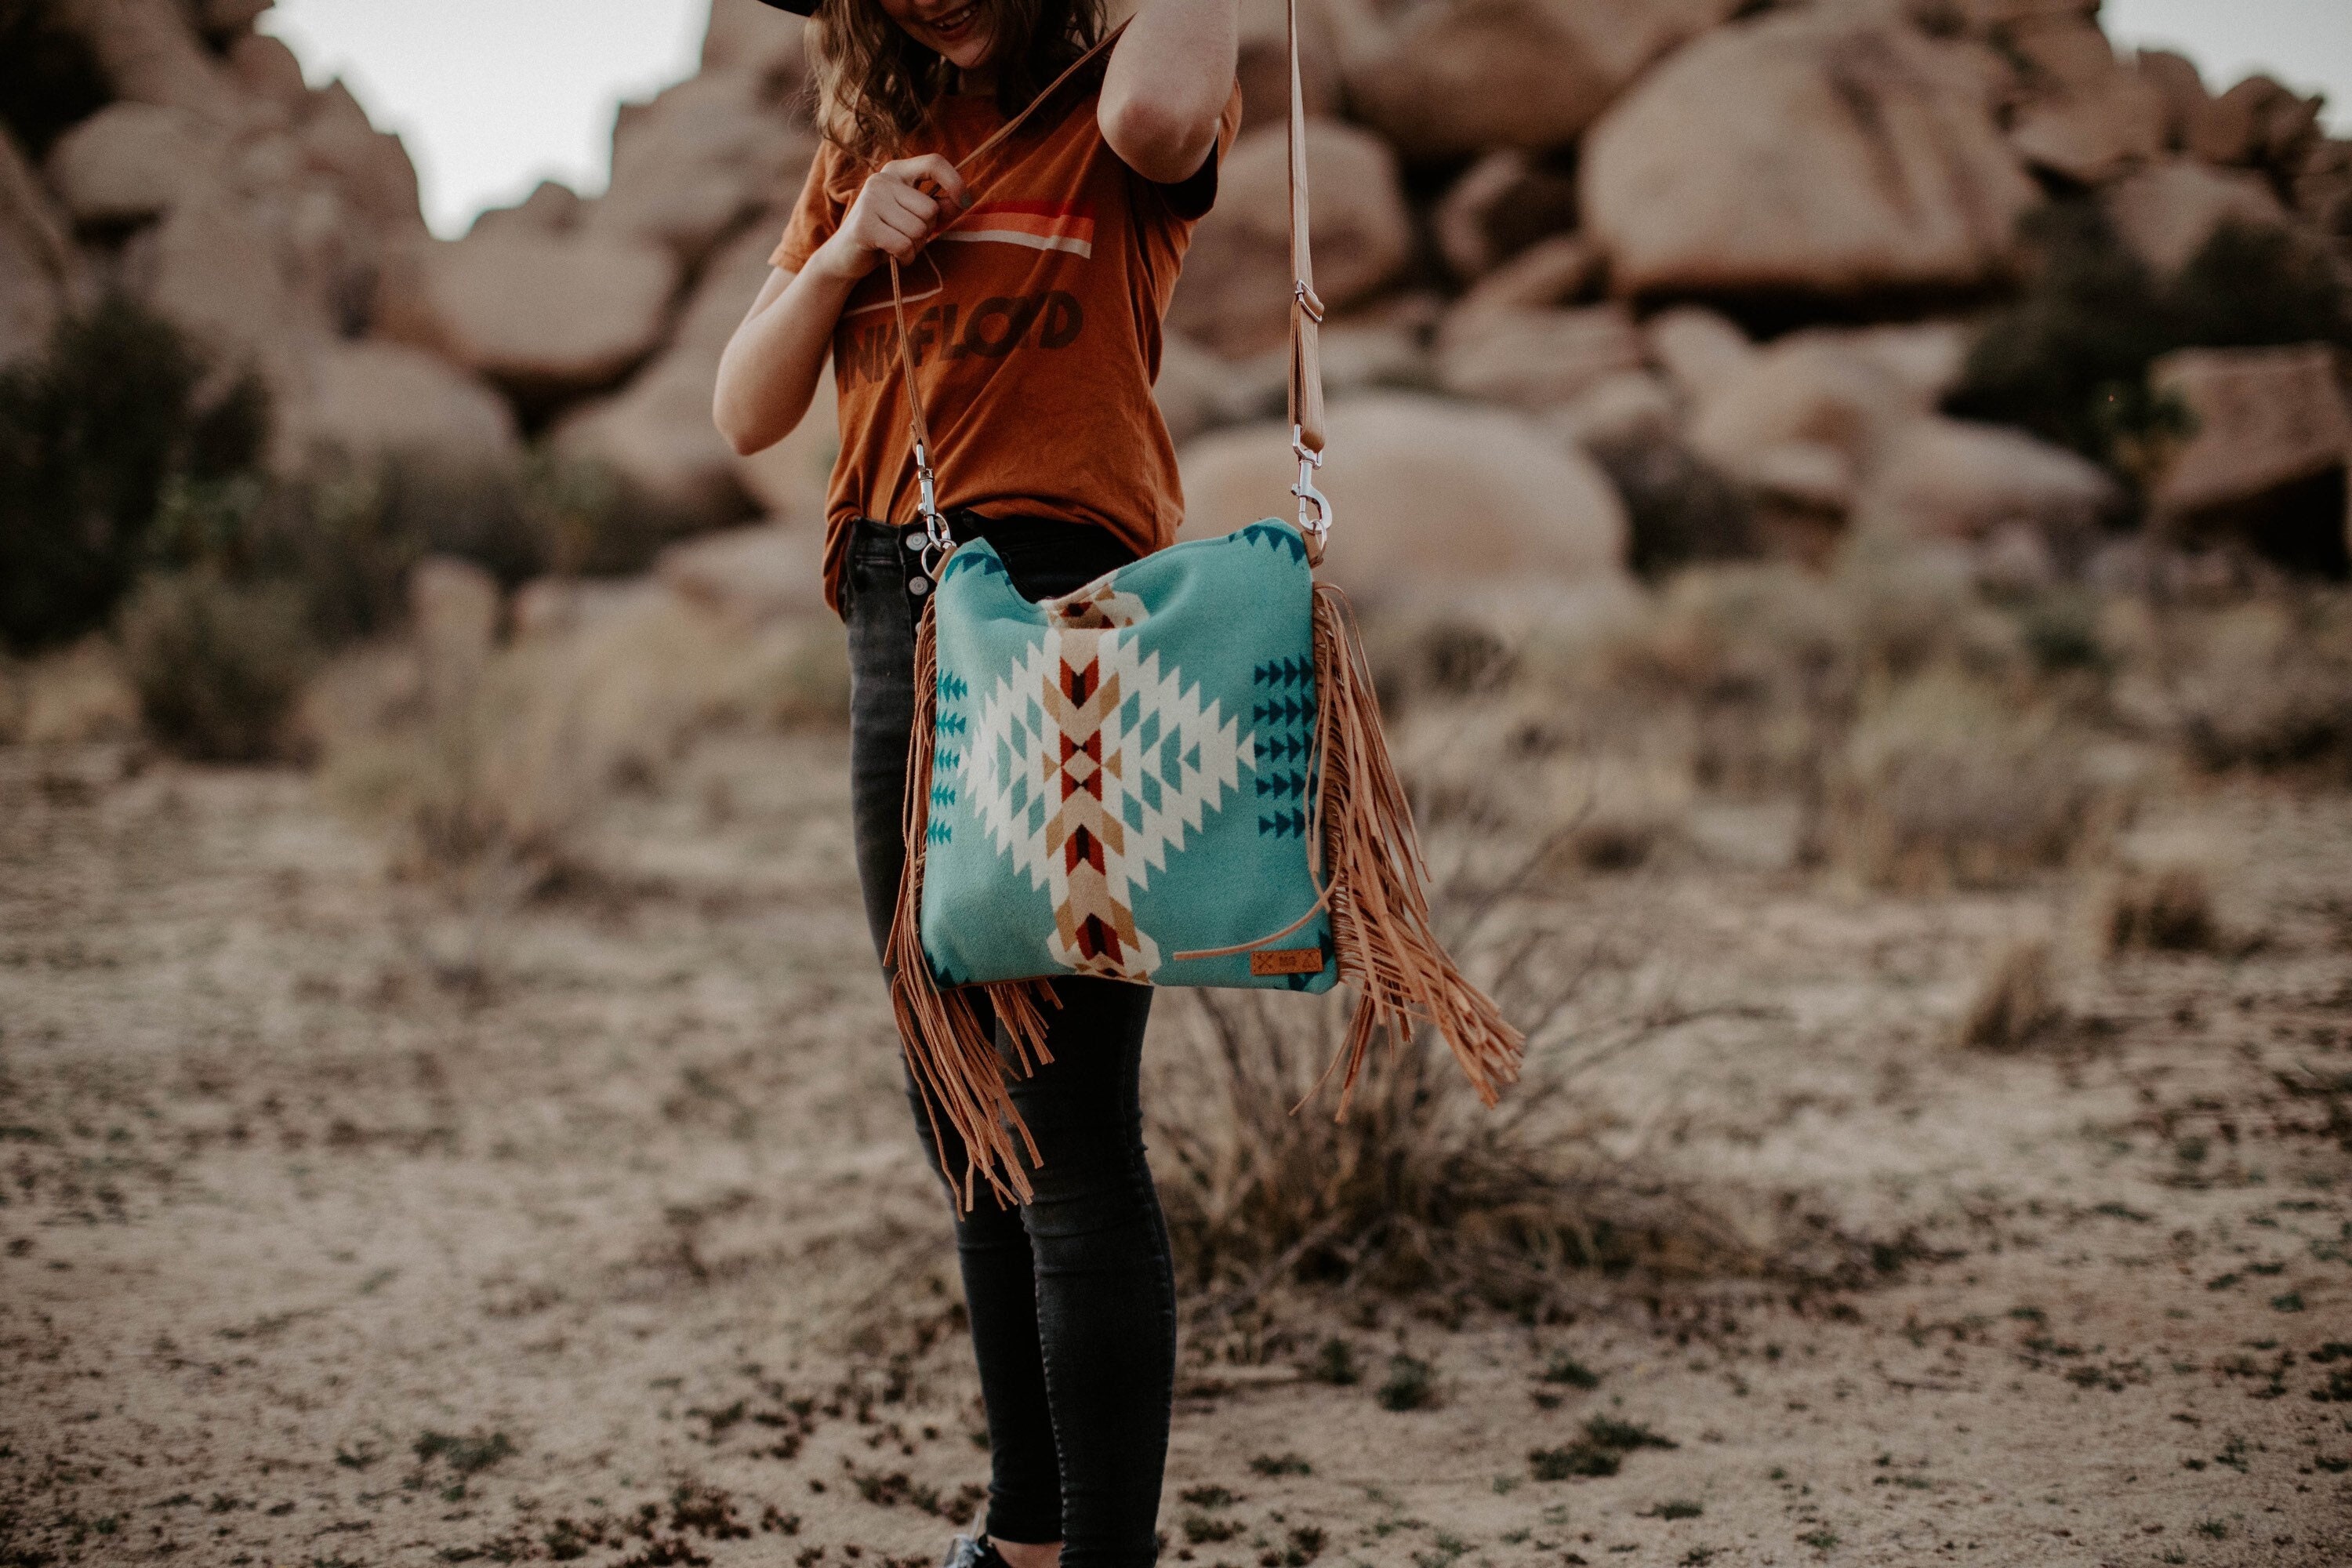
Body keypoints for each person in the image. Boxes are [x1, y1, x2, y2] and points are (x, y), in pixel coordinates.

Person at [713, 2, 1243, 1565]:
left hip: (1073, 620)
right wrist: (834, 254)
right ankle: (1022, 1535)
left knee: (1071, 1134)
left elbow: (1158, 126)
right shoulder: (862, 147)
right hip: (898, 624)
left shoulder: (1118, 104)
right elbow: (747, 407)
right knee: (966, 1124)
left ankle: (1102, 1557)